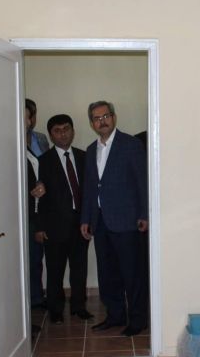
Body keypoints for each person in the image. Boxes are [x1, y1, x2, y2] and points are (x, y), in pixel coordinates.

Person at [80, 101, 148, 337]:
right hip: (100, 223)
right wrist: (86, 219)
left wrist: (144, 214)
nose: (102, 121)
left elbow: (142, 182)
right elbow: (90, 188)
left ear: (114, 117)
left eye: (106, 116)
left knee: (132, 274)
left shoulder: (131, 144)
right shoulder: (91, 150)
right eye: (97, 118)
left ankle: (138, 320)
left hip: (127, 221)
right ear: (92, 124)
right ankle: (116, 315)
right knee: (107, 274)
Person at [35, 114, 92, 324]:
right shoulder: (43, 161)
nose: (63, 134)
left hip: (81, 224)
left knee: (80, 268)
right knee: (55, 270)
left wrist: (90, 220)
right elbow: (38, 198)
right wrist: (39, 227)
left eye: (66, 129)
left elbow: (90, 191)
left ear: (73, 131)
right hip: (54, 226)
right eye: (57, 131)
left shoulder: (84, 157)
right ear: (51, 135)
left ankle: (79, 306)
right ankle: (56, 309)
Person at [25, 106, 47, 329]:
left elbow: (45, 167)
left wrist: (42, 184)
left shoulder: (39, 140)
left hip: (39, 207)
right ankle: (26, 306)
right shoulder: (6, 141)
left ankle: (36, 297)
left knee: (35, 256)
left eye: (28, 116)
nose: (25, 121)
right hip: (19, 210)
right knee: (24, 260)